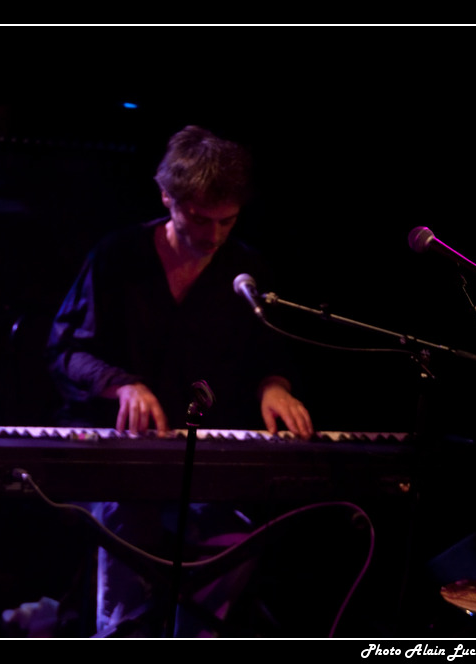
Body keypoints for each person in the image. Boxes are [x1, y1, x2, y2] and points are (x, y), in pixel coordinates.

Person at [45, 125, 314, 636]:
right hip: (117, 455)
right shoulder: (118, 256)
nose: (213, 235)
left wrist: (274, 385)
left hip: (204, 460)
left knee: (238, 537)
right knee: (127, 521)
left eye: (227, 221)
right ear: (167, 197)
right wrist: (121, 384)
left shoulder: (245, 268)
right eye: (199, 218)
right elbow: (66, 351)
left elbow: (268, 354)